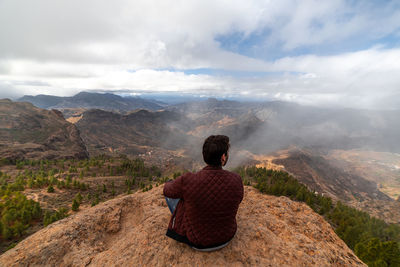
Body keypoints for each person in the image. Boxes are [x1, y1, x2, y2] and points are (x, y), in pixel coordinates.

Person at [163, 135, 244, 251]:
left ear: (204, 155)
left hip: (197, 241)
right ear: (223, 157)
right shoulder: (236, 179)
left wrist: (172, 183)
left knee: (182, 197)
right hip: (226, 237)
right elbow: (239, 200)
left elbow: (167, 191)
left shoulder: (188, 180)